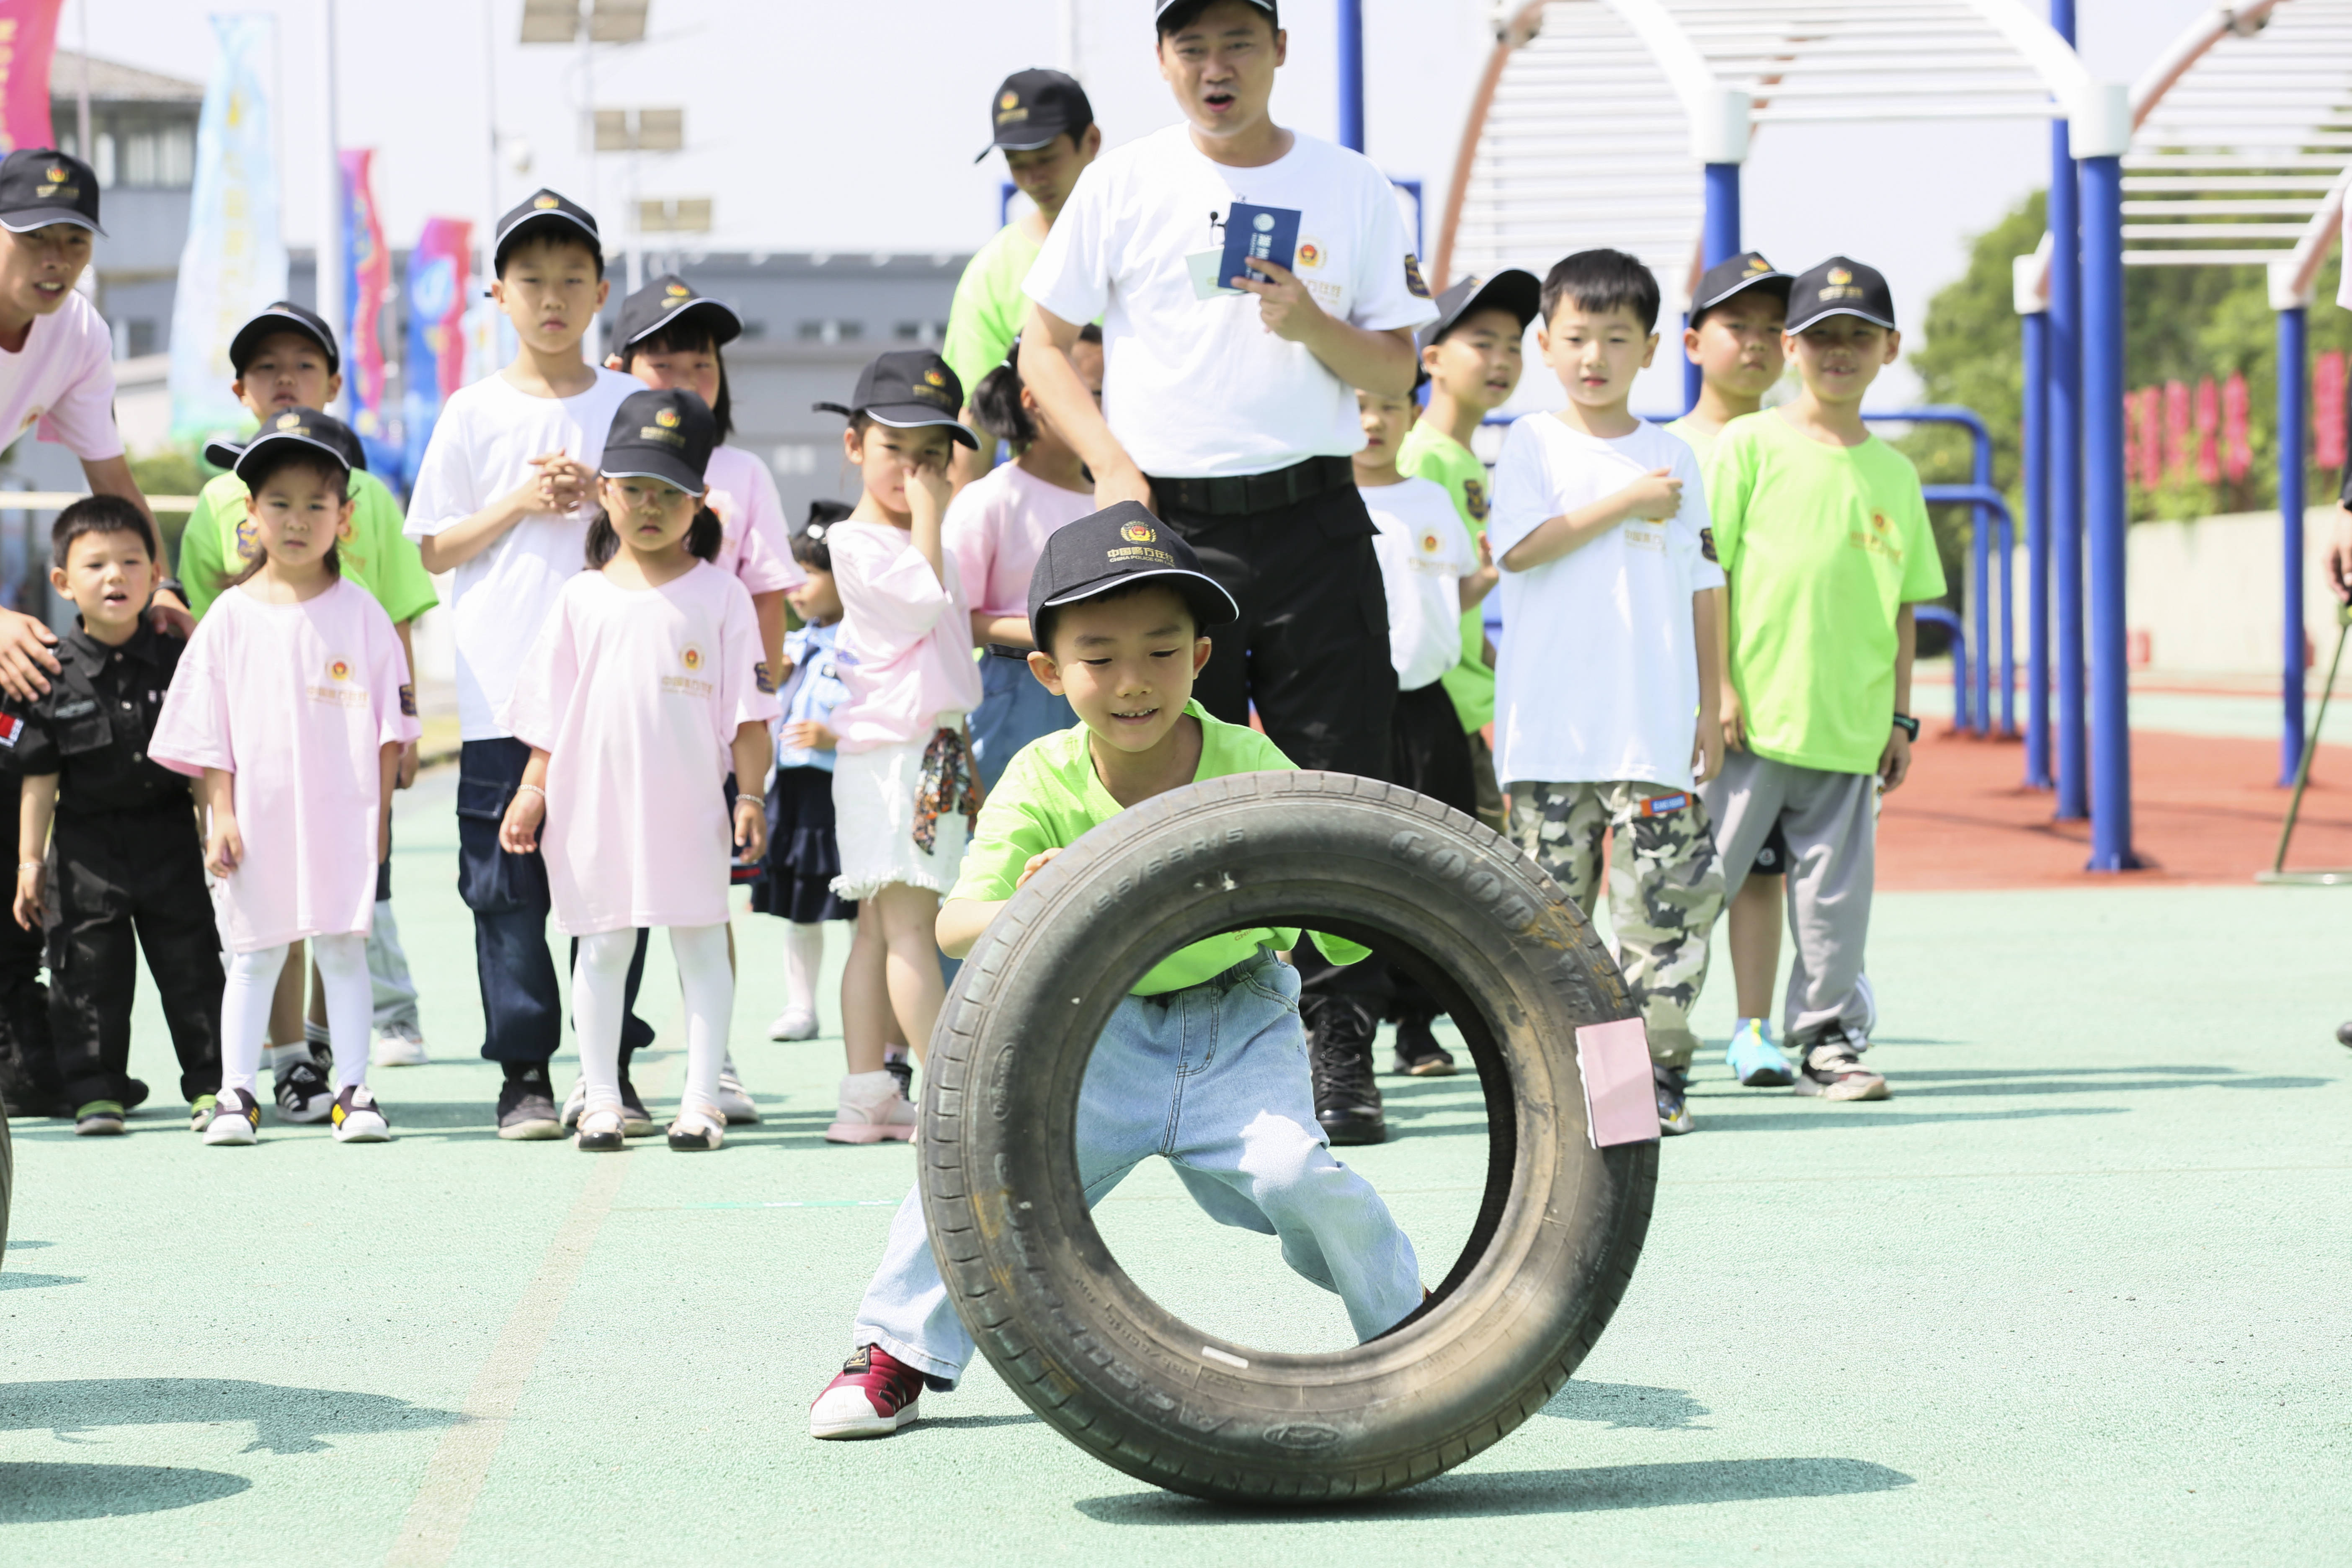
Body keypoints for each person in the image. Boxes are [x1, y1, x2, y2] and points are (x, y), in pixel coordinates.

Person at [807, 502, 1422, 1439]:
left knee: (1299, 1172)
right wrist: (1036, 902)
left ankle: (1420, 1334)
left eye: (1162, 652)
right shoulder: (1044, 777)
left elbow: (1336, 908)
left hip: (1237, 1023)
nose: (1134, 683)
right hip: (1093, 1036)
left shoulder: (1246, 763)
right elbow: (957, 921)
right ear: (1051, 672)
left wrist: (1376, 903)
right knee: (975, 1171)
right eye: (1100, 657)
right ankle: (893, 1351)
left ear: (1202, 659)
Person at [1017, 0, 1438, 1143]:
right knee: (1167, 777)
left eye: (1240, 42)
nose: (1217, 67)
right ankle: (1164, 1029)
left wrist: (1313, 325)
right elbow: (1040, 344)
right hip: (1170, 526)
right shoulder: (1122, 184)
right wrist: (1108, 464)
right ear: (1161, 62)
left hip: (1310, 511)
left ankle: (1338, 1044)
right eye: (1193, 46)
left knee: (1336, 783)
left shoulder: (1353, 185)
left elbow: (1396, 372)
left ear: (1280, 53)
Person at [404, 188, 658, 1140]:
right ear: (497, 296)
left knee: (615, 883)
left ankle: (612, 1065)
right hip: (500, 689)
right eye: (530, 280)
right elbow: (433, 546)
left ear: (598, 293)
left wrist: (603, 493)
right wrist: (520, 500)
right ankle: (525, 1073)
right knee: (506, 890)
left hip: (615, 690)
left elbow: (678, 528)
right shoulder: (472, 411)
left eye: (570, 280)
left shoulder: (631, 404)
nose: (551, 297)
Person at [496, 388, 776, 1153]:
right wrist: (532, 789)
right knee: (604, 946)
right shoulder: (579, 598)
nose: (650, 506)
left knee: (698, 942)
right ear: (604, 492)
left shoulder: (722, 596)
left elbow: (748, 717)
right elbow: (550, 716)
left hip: (688, 806)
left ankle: (700, 1099)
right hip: (592, 810)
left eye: (669, 492)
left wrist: (749, 794)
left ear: (699, 502)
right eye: (634, 490)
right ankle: (601, 1100)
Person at [179, 301, 438, 1119]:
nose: (296, 521)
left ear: (345, 515)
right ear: (246, 513)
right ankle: (238, 1094)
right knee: (255, 953)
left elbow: (393, 725)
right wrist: (218, 811)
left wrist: (384, 815)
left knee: (341, 946)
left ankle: (353, 1091)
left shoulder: (361, 612)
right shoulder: (227, 615)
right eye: (277, 505)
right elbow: (204, 731)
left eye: (315, 506)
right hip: (253, 819)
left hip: (341, 815)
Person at [1488, 249, 1727, 1136]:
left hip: (1654, 732)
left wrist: (1714, 700)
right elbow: (1518, 550)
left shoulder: (1674, 457)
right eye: (1578, 338)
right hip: (1551, 736)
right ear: (1546, 344)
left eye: (1617, 339)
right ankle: (1574, 1084)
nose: (1595, 357)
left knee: (1662, 915)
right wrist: (1627, 502)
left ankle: (1648, 1082)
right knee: (1555, 924)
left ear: (1653, 348)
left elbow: (1707, 583)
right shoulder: (1533, 444)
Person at [1700, 256, 1946, 1103]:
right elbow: (1713, 575)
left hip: (1849, 728)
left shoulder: (1896, 473)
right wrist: (1720, 690)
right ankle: (1654, 1053)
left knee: (1833, 907)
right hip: (1751, 723)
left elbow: (1906, 606)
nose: (1839, 352)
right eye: (1821, 337)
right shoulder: (1749, 443)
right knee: (1694, 887)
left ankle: (1829, 1045)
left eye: (1859, 336)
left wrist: (1901, 718)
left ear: (1890, 348)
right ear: (1790, 347)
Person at [0, 147, 188, 1120]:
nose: (56, 257)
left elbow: (108, 480)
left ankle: (23, 1044)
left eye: (74, 240)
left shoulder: (75, 331)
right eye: (34, 236)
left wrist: (165, 586)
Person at [602, 271, 807, 1126]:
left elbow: (765, 594)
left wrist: (756, 711)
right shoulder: (610, 464)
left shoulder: (743, 470)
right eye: (665, 364)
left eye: (703, 365)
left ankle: (711, 1064)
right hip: (625, 719)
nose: (687, 381)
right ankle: (602, 1073)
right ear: (622, 369)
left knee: (704, 899)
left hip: (708, 718)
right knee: (609, 907)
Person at [1665, 251, 1844, 1091]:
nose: (1759, 344)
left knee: (1763, 870)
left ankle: (1753, 1029)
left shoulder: (1794, 443)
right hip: (1679, 699)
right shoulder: (1665, 449)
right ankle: (1654, 1036)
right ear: (1695, 341)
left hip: (1765, 707)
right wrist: (1708, 686)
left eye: (1776, 329)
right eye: (1739, 327)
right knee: (1677, 871)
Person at [3, 497, 221, 1135]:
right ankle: (97, 1092)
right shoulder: (49, 672)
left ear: (156, 573)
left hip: (170, 841)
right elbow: (39, 778)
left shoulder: (180, 659)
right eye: (95, 564)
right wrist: (28, 863)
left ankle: (212, 1085)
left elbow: (205, 763)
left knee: (192, 967)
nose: (115, 576)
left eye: (131, 561)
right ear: (64, 583)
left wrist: (215, 837)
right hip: (85, 853)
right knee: (88, 974)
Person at [815, 351, 983, 1144]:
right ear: (854, 446)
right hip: (900, 756)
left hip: (922, 748)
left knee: (884, 928)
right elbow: (922, 605)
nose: (915, 473)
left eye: (932, 457)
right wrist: (930, 511)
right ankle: (950, 1095)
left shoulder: (915, 539)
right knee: (910, 925)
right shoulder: (862, 540)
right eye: (895, 452)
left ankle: (867, 1093)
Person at [1353, 385, 1495, 1079]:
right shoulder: (1328, 505)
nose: (1373, 421)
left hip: (1429, 702)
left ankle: (1418, 1023)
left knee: (1437, 862)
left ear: (1412, 415)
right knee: (1358, 862)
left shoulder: (1432, 501)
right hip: (1356, 704)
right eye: (1355, 405)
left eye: (1387, 406)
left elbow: (1464, 581)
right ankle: (1346, 1020)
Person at [1397, 269, 1540, 832]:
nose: (1501, 359)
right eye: (1482, 343)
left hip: (1464, 706)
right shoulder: (1421, 458)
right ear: (1432, 360)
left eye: (1514, 346)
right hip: (1435, 709)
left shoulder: (1460, 457)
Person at [944, 326, 1101, 786]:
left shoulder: (1114, 498)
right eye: (1090, 393)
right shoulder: (990, 498)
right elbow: (953, 616)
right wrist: (1062, 632)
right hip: (1013, 687)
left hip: (1102, 687)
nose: (1102, 409)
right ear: (1034, 399)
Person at [944, 67, 1101, 485]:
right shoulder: (991, 273)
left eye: (1047, 159)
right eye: (1017, 164)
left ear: (1091, 142)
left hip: (1168, 496)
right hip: (1046, 515)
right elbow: (971, 423)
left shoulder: (1144, 242)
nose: (1034, 179)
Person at [754, 503, 857, 1044]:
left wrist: (834, 737)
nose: (797, 585)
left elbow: (881, 710)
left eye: (812, 572)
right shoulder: (791, 644)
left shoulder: (863, 643)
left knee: (862, 905)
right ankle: (801, 1006)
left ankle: (870, 1001)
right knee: (800, 905)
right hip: (792, 792)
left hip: (841, 791)